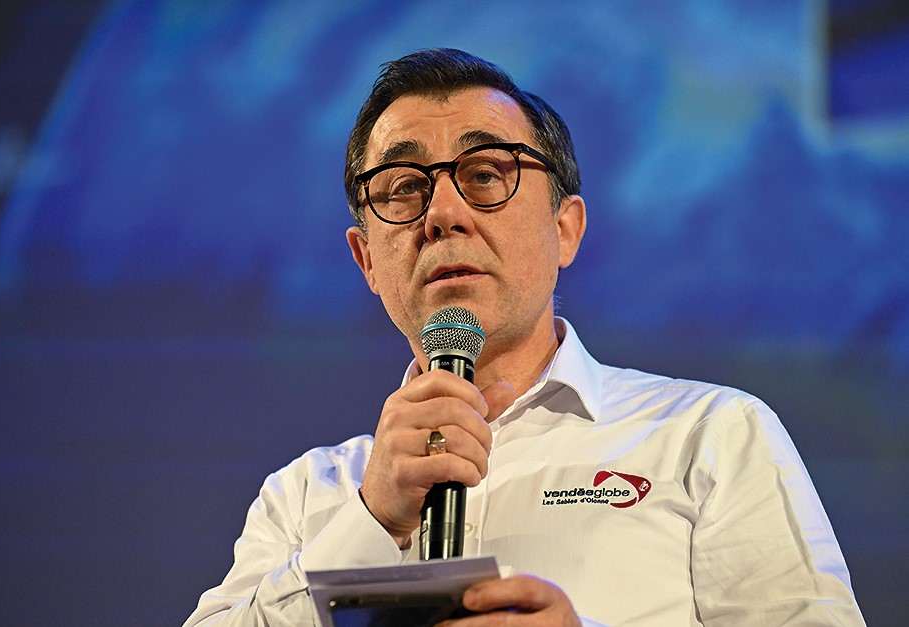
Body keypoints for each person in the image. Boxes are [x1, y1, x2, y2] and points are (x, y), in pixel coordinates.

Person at [184, 48, 864, 626]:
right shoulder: (306, 497)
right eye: (402, 187)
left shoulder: (710, 436)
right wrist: (372, 520)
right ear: (366, 258)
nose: (443, 213)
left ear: (565, 228)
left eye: (485, 175)